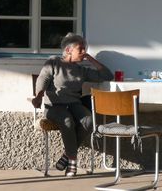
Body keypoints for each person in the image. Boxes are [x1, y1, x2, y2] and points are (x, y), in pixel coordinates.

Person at [32, 33, 113, 177]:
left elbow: (107, 75)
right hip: (54, 107)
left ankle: (66, 155)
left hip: (74, 105)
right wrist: (39, 96)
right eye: (80, 49)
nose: (84, 52)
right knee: (67, 121)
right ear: (69, 50)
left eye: (85, 50)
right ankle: (73, 162)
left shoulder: (81, 70)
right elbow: (42, 80)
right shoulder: (53, 62)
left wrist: (90, 58)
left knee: (89, 120)